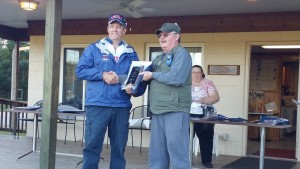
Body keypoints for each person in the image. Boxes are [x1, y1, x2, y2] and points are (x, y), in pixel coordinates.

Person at [76, 14, 139, 169]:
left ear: (124, 30)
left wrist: (134, 90)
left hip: (121, 106)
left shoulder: (131, 52)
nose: (114, 29)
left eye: (118, 26)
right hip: (98, 105)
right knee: (92, 146)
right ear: (107, 28)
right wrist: (102, 74)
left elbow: (137, 77)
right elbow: (80, 71)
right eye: (112, 26)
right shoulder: (94, 48)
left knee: (119, 148)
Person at [139, 23, 192, 169]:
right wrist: (121, 79)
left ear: (177, 36)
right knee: (157, 155)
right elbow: (142, 76)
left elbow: (176, 77)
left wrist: (152, 75)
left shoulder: (182, 54)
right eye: (160, 35)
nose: (162, 37)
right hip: (157, 111)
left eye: (166, 34)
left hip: (175, 110)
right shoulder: (158, 59)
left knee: (177, 154)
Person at [190, 65, 220, 168]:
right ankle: (184, 160)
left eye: (198, 72)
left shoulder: (208, 83)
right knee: (184, 138)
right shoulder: (185, 83)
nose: (196, 74)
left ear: (202, 73)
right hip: (187, 113)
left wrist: (203, 100)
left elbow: (216, 98)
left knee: (206, 137)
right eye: (193, 72)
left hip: (204, 113)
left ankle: (207, 161)